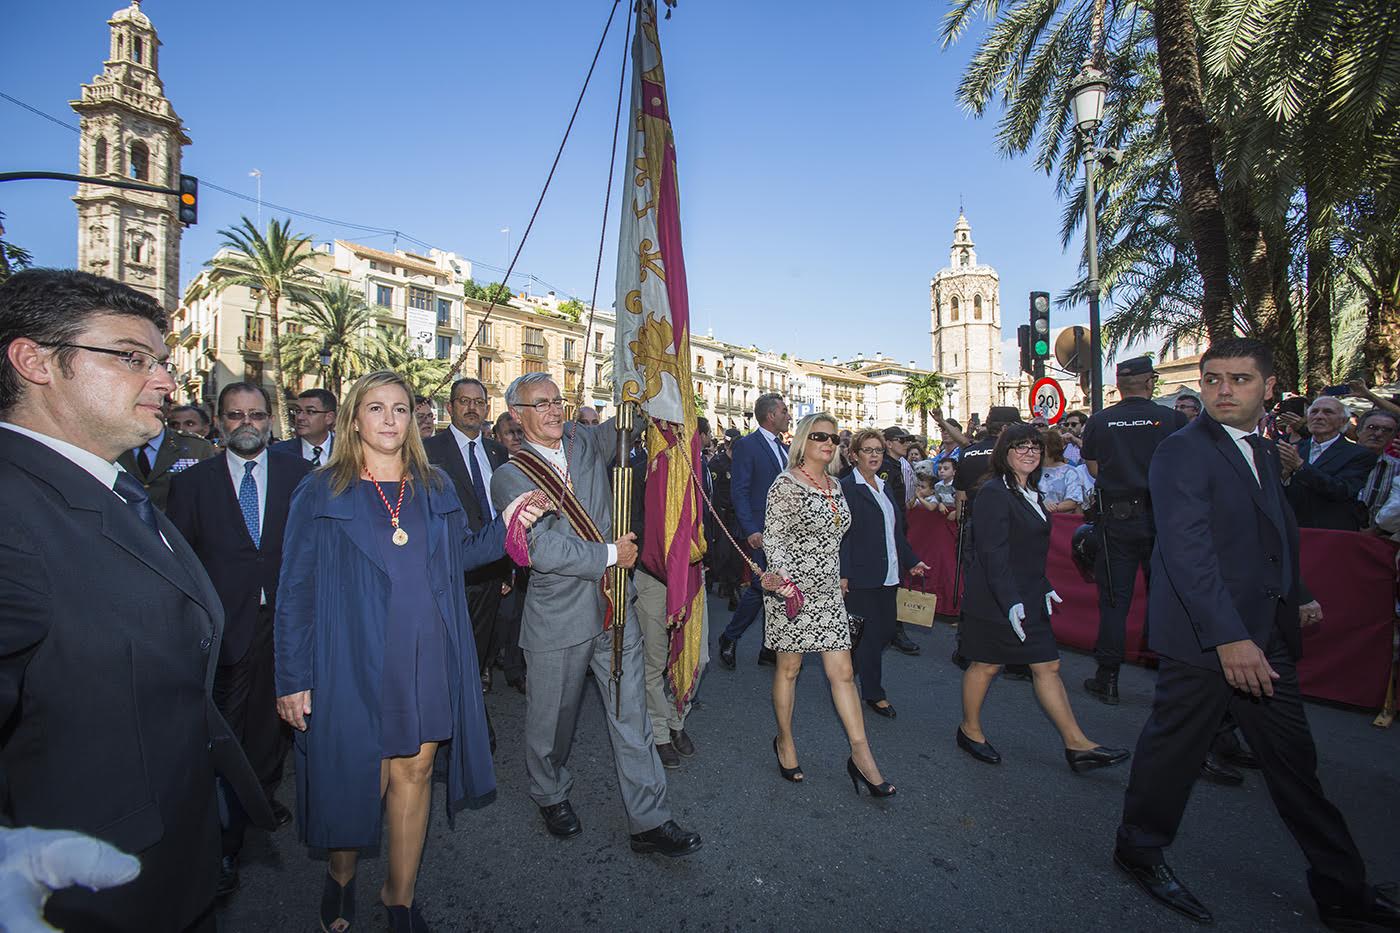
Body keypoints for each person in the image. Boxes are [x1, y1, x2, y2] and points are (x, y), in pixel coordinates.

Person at [0, 268, 272, 931]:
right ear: (34, 361)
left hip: (169, 855)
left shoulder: (112, 487)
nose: (166, 381)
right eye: (131, 358)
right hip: (87, 888)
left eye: (161, 361)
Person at [1113, 338, 1400, 929]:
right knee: (1174, 752)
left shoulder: (1266, 453)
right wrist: (1229, 638)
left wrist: (1298, 593)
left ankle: (1342, 890)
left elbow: (1276, 535)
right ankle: (1139, 848)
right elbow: (1188, 552)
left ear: (1268, 387)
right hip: (1208, 639)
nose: (1223, 389)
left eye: (1239, 379)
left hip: (1262, 634)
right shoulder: (1180, 451)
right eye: (1213, 378)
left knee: (1295, 764)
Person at [275, 370, 542, 933]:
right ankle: (342, 873)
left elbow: (463, 554)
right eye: (376, 408)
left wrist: (511, 523)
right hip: (351, 654)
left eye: (400, 409)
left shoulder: (436, 485)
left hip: (425, 649)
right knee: (358, 775)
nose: (390, 419)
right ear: (354, 419)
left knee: (415, 770)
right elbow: (295, 588)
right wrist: (292, 676)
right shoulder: (321, 490)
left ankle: (399, 894)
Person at [489, 373, 702, 857]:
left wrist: (641, 374)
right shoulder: (509, 475)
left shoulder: (583, 440)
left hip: (613, 608)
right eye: (539, 404)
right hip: (558, 615)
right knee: (552, 723)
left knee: (632, 716)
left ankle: (650, 818)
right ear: (518, 415)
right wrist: (609, 554)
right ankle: (549, 791)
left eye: (556, 401)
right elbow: (539, 548)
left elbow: (625, 421)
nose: (551, 410)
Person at [166, 380, 309, 897]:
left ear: (271, 419)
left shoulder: (302, 476)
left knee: (276, 720)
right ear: (219, 421)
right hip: (224, 627)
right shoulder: (193, 484)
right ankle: (223, 839)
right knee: (225, 725)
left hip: (287, 622)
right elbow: (180, 562)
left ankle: (261, 795)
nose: (245, 425)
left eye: (255, 415)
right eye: (234, 416)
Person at [955, 423, 1129, 773]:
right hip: (995, 597)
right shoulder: (993, 493)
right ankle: (969, 730)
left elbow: (1028, 550)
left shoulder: (1029, 492)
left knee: (1047, 665)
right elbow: (993, 553)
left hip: (1028, 593)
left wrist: (1044, 583)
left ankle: (1076, 744)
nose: (1029, 452)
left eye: (1034, 446)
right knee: (986, 665)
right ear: (1004, 453)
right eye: (1020, 447)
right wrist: (1010, 600)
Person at [758, 414, 896, 797]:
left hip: (829, 592)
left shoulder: (836, 485)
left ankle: (862, 757)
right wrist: (782, 579)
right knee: (789, 668)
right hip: (794, 592)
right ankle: (785, 741)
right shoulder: (784, 485)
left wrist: (843, 574)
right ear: (803, 440)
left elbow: (840, 538)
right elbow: (776, 538)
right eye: (820, 436)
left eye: (834, 438)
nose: (828, 442)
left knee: (844, 673)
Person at [1080, 357, 1187, 705]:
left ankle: (1107, 678)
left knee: (1114, 601)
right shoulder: (1172, 419)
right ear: (1150, 381)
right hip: (1163, 519)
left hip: (1117, 519)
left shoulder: (1099, 421)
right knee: (1169, 598)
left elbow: (1095, 469)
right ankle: (1173, 680)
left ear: (1120, 384)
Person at [422, 377, 515, 691]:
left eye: (478, 402)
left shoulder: (497, 452)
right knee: (447, 654)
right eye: (464, 401)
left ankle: (470, 711)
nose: (472, 408)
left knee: (479, 652)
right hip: (450, 569)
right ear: (450, 407)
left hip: (492, 569)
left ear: (487, 407)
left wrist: (507, 568)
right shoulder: (428, 451)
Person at [632, 416, 712, 768]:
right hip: (651, 577)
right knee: (654, 661)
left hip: (692, 577)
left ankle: (679, 719)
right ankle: (660, 732)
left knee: (698, 656)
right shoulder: (635, 471)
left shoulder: (696, 468)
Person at [840, 429, 928, 719]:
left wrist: (912, 560)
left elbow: (895, 532)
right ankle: (872, 692)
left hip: (889, 573)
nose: (875, 455)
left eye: (878, 449)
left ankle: (848, 672)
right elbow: (842, 537)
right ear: (854, 455)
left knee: (885, 631)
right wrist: (843, 574)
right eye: (868, 450)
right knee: (866, 635)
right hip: (861, 576)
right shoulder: (846, 488)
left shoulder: (884, 485)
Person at [719, 392, 792, 669]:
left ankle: (767, 647)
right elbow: (740, 490)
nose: (788, 415)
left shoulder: (785, 449)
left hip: (784, 531)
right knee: (764, 586)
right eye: (784, 411)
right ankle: (729, 636)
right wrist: (750, 529)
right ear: (771, 415)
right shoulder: (748, 446)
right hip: (760, 531)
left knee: (776, 589)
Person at [1280, 396, 1377, 531]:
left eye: (1328, 412)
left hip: (1331, 533)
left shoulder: (1359, 454)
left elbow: (1342, 490)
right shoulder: (1294, 448)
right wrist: (1284, 476)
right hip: (1291, 528)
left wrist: (1301, 466)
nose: (1319, 416)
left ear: (1343, 421)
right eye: (1314, 412)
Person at [116, 394, 215, 510]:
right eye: (141, 405)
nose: (148, 411)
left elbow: (208, 492)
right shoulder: (114, 444)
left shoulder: (197, 447)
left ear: (168, 410)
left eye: (156, 405)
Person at [879, 427, 922, 656]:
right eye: (901, 440)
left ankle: (893, 629)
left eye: (908, 440)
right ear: (888, 443)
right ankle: (892, 630)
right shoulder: (884, 466)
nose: (906, 444)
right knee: (889, 580)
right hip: (888, 528)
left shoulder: (901, 465)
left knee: (897, 580)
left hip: (899, 526)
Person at [1356, 408, 1400, 531]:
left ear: (1393, 437)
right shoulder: (1335, 459)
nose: (1379, 434)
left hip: (1379, 539)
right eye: (1372, 427)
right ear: (1359, 431)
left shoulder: (1397, 468)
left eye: (1387, 430)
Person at [272, 388, 337, 465]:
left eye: (310, 411)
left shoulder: (348, 452)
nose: (300, 417)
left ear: (329, 418)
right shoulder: (277, 453)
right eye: (298, 411)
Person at [1039, 428, 1089, 514]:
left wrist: (1050, 507)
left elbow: (1073, 501)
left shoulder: (1070, 472)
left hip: (1059, 521)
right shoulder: (1030, 470)